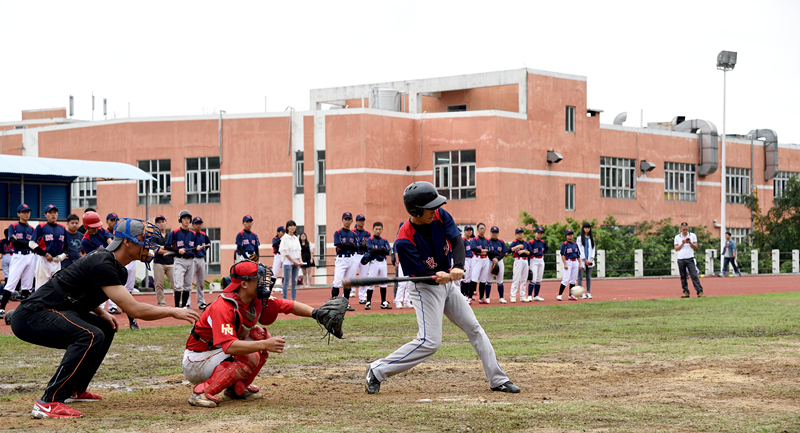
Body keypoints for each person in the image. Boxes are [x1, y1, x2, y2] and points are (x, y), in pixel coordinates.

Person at [11, 218, 199, 419]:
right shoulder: (103, 262)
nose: (149, 245)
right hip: (33, 314)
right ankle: (49, 401)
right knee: (90, 335)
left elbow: (82, 289)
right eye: (144, 239)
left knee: (105, 328)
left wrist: (101, 313)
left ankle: (76, 389)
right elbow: (135, 310)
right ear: (127, 242)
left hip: (57, 309)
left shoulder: (116, 267)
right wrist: (173, 311)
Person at [365, 181, 520, 394]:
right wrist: (436, 277)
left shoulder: (439, 215)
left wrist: (458, 267)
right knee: (430, 342)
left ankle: (498, 379)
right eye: (430, 207)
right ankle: (377, 370)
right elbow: (420, 275)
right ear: (416, 211)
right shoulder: (404, 240)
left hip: (447, 284)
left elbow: (456, 241)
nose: (435, 209)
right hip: (424, 289)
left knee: (474, 327)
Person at [184, 260, 334, 407]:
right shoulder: (223, 306)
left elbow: (288, 306)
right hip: (197, 361)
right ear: (244, 284)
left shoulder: (254, 298)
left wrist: (317, 313)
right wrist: (265, 344)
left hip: (215, 354)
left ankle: (237, 388)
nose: (264, 283)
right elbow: (229, 346)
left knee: (260, 335)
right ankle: (201, 392)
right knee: (252, 352)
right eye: (259, 279)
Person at [0, 204, 37, 319]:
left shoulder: (32, 229)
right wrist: (28, 243)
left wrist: (23, 243)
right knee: (11, 283)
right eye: (24, 212)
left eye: (28, 212)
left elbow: (34, 244)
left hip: (30, 256)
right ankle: (2, 309)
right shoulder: (13, 226)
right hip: (18, 256)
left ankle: (24, 311)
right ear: (18, 214)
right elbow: (14, 242)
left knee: (27, 285)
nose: (26, 214)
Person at [33, 204, 69, 289]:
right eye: (50, 213)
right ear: (45, 215)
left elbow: (67, 244)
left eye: (55, 212)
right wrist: (45, 253)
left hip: (57, 261)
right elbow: (31, 243)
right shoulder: (41, 227)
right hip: (44, 260)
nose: (53, 215)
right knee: (41, 287)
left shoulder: (62, 227)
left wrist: (63, 255)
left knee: (56, 286)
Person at [167, 210, 196, 309]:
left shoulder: (193, 234)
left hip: (190, 260)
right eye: (184, 218)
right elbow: (167, 246)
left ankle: (184, 306)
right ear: (180, 220)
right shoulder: (175, 232)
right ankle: (177, 307)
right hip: (179, 260)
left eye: (188, 219)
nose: (186, 220)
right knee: (178, 285)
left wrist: (198, 248)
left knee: (188, 285)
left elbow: (196, 247)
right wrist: (177, 250)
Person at [331, 212, 357, 312]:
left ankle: (345, 304)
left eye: (349, 219)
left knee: (347, 283)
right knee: (337, 282)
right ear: (342, 220)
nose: (347, 221)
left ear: (352, 221)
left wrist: (347, 245)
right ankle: (333, 304)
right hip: (341, 259)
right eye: (345, 219)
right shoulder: (338, 232)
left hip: (351, 258)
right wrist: (350, 245)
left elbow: (355, 247)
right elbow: (339, 245)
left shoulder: (353, 234)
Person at [364, 222, 392, 310]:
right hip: (374, 262)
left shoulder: (384, 239)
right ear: (373, 229)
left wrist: (379, 251)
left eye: (380, 229)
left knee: (383, 282)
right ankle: (368, 302)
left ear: (382, 229)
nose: (378, 231)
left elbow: (388, 252)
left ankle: (383, 302)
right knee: (371, 282)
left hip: (383, 262)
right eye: (376, 229)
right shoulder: (370, 239)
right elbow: (371, 251)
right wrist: (382, 250)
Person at [674, 222, 704, 298]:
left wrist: (690, 242)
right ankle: (685, 291)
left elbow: (695, 247)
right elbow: (676, 249)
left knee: (694, 275)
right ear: (680, 229)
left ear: (688, 228)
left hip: (690, 258)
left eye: (686, 229)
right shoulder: (677, 237)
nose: (685, 231)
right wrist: (682, 243)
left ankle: (699, 291)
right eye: (683, 229)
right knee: (683, 276)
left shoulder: (693, 236)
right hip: (681, 259)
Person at [152, 215, 175, 307]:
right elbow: (155, 250)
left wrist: (162, 248)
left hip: (171, 263)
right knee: (159, 285)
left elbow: (174, 247)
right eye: (159, 222)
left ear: (166, 222)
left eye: (163, 222)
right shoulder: (154, 235)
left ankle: (180, 303)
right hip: (158, 263)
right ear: (156, 224)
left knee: (176, 284)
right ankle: (161, 304)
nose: (161, 224)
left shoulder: (170, 235)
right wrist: (169, 250)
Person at [279, 221, 302, 301]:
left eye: (294, 226)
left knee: (294, 282)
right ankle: (284, 299)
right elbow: (285, 251)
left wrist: (300, 260)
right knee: (286, 281)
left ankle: (293, 299)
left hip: (296, 261)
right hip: (288, 262)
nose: (293, 227)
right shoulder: (285, 238)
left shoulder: (296, 238)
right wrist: (293, 261)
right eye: (291, 226)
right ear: (287, 227)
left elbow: (299, 250)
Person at [525, 227, 548, 302]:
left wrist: (543, 254)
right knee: (533, 279)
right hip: (533, 260)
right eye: (538, 233)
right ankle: (529, 295)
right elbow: (529, 253)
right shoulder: (531, 242)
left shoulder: (542, 242)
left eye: (541, 233)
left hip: (541, 260)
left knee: (539, 279)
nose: (540, 234)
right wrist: (528, 264)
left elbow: (547, 248)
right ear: (535, 233)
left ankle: (536, 295)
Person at [486, 226, 508, 303]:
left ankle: (501, 297)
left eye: (496, 232)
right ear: (490, 233)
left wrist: (497, 259)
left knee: (500, 280)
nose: (494, 234)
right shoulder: (488, 241)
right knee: (489, 280)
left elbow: (504, 253)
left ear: (498, 233)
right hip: (490, 260)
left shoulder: (501, 242)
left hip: (499, 261)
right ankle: (487, 297)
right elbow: (487, 252)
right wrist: (492, 259)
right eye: (493, 232)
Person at [392, 221, 412, 309]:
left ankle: (407, 301)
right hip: (402, 261)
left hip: (409, 261)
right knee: (402, 283)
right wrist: (397, 261)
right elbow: (396, 250)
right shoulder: (398, 238)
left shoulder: (410, 236)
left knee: (409, 283)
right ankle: (398, 301)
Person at [191, 217, 210, 309]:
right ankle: (187, 303)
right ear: (193, 225)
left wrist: (204, 251)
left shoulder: (204, 234)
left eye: (200, 223)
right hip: (192, 259)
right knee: (189, 281)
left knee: (201, 281)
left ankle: (201, 302)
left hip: (201, 259)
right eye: (196, 223)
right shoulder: (191, 234)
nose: (198, 225)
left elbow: (208, 244)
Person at [508, 228, 530, 303]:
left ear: (523, 234)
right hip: (518, 260)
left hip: (525, 260)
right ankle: (513, 296)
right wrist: (517, 247)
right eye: (518, 233)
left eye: (521, 233)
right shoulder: (514, 242)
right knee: (516, 278)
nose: (520, 234)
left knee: (524, 279)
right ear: (515, 234)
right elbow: (509, 250)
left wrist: (523, 251)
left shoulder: (526, 243)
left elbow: (530, 253)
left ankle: (522, 296)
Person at [352, 214, 371, 304]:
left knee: (363, 276)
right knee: (352, 274)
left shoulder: (367, 233)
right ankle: (350, 292)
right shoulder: (352, 232)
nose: (361, 222)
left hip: (363, 254)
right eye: (359, 220)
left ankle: (362, 297)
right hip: (355, 254)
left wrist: (363, 247)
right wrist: (359, 246)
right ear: (356, 221)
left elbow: (369, 245)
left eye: (363, 220)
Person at [557, 229, 580, 301]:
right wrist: (565, 264)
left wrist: (580, 264)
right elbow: (562, 255)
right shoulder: (564, 244)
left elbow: (578, 255)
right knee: (566, 279)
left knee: (573, 280)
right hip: (568, 261)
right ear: (566, 236)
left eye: (571, 234)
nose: (570, 236)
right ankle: (560, 295)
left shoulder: (575, 244)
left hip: (575, 262)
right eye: (568, 234)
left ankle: (571, 295)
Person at [472, 223, 491, 304]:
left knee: (483, 280)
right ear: (477, 230)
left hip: (485, 260)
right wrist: (484, 251)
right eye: (480, 228)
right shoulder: (475, 239)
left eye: (483, 228)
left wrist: (482, 251)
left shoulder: (487, 240)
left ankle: (481, 298)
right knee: (474, 278)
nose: (482, 230)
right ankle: (469, 297)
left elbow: (490, 251)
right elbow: (474, 249)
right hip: (477, 259)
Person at [576, 222, 595, 299]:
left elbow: (593, 249)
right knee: (580, 277)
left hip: (590, 261)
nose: (587, 229)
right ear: (583, 228)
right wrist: (584, 259)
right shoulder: (579, 238)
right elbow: (579, 249)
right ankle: (582, 293)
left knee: (588, 277)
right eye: (585, 228)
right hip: (582, 260)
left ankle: (588, 292)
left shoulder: (591, 238)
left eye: (588, 228)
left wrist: (591, 259)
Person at [459, 225, 475, 303]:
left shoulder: (472, 240)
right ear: (464, 232)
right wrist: (462, 263)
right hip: (465, 259)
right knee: (465, 277)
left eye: (470, 230)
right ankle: (463, 294)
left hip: (472, 259)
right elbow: (461, 251)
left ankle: (468, 295)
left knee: (470, 277)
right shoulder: (463, 240)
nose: (469, 232)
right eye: (467, 230)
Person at [269, 226, 283, 290]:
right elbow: (274, 244)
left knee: (284, 273)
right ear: (278, 232)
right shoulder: (275, 239)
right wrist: (280, 240)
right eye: (282, 232)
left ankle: (284, 289)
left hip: (285, 255)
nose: (283, 233)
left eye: (284, 232)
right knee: (274, 272)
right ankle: (270, 289)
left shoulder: (285, 239)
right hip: (277, 255)